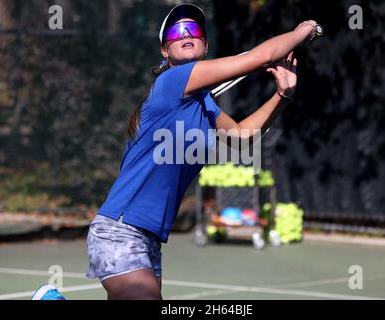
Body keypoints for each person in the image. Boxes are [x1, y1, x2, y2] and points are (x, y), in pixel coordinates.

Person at [32, 3, 318, 300]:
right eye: (176, 31)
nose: (186, 33)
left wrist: (283, 96)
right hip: (121, 231)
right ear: (164, 51)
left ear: (205, 45)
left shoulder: (204, 104)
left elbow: (242, 135)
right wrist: (303, 30)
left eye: (194, 30)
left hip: (150, 239)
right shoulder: (171, 81)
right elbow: (263, 57)